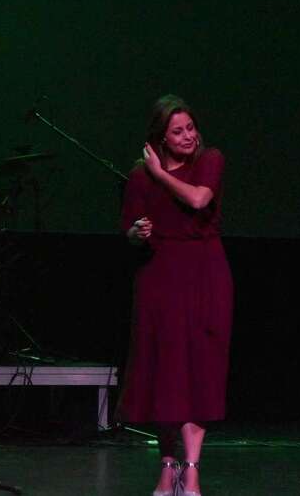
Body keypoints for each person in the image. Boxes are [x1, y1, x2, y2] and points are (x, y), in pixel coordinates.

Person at [117, 95, 233, 496]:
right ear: (161, 138)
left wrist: (159, 174)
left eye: (190, 128)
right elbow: (129, 232)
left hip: (204, 275)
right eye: (177, 131)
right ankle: (167, 468)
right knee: (165, 374)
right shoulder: (139, 176)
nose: (187, 136)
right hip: (160, 277)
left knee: (200, 371)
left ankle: (192, 470)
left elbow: (199, 198)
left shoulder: (210, 159)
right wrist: (137, 232)